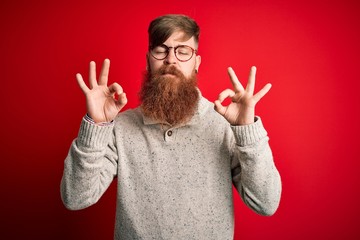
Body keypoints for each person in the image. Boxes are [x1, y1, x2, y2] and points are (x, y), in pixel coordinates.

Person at [61, 14, 282, 239]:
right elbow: (76, 198)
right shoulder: (121, 127)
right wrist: (96, 125)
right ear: (149, 59)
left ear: (196, 62)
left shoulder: (225, 125)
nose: (171, 59)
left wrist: (247, 132)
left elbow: (265, 203)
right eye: (161, 50)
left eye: (183, 51)